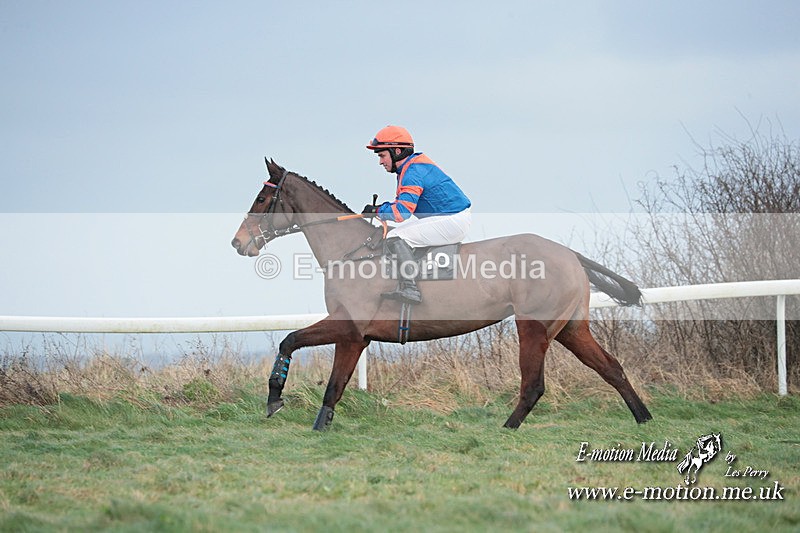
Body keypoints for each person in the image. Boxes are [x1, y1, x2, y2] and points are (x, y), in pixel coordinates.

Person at [363, 125, 472, 304]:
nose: (380, 162)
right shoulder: (410, 167)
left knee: (394, 235)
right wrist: (381, 209)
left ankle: (410, 288)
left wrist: (377, 211)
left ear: (397, 151)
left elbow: (402, 213)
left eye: (382, 155)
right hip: (452, 217)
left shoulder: (412, 172)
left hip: (453, 219)